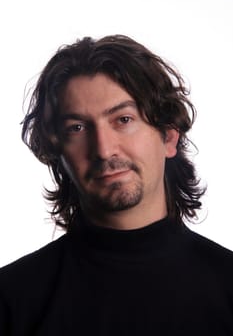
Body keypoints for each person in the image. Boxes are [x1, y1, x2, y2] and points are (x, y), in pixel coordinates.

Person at [0, 35, 233, 336]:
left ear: (169, 136)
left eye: (123, 119)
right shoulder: (12, 299)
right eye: (78, 128)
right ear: (58, 152)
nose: (104, 149)